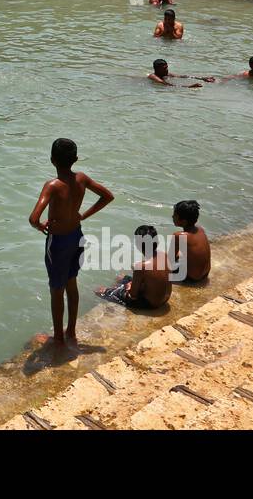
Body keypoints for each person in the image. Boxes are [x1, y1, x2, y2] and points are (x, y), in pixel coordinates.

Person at [27, 138, 115, 352]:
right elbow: (107, 196)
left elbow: (33, 218)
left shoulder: (52, 185)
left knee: (56, 289)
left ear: (52, 160)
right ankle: (71, 332)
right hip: (76, 235)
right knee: (71, 282)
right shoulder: (82, 179)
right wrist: (82, 215)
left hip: (57, 242)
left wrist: (41, 226)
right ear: (75, 159)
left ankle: (58, 339)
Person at [97, 226, 173, 309]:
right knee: (121, 277)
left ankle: (112, 290)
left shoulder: (141, 267)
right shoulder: (164, 255)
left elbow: (132, 295)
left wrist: (127, 287)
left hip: (150, 304)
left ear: (138, 244)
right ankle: (118, 287)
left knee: (100, 290)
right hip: (165, 299)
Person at [169, 200, 210, 282]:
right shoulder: (200, 229)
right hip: (205, 274)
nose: (172, 217)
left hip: (192, 278)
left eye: (175, 215)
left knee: (153, 268)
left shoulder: (178, 236)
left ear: (183, 221)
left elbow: (170, 260)